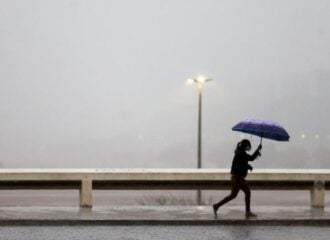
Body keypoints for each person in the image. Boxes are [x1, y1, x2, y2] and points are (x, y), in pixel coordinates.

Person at [212, 139, 262, 218]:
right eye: (248, 145)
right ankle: (247, 212)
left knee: (234, 195)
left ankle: (217, 206)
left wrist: (248, 166)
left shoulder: (240, 153)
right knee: (246, 192)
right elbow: (251, 158)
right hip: (238, 178)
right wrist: (258, 150)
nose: (249, 147)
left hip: (236, 178)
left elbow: (242, 164)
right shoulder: (241, 153)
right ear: (245, 146)